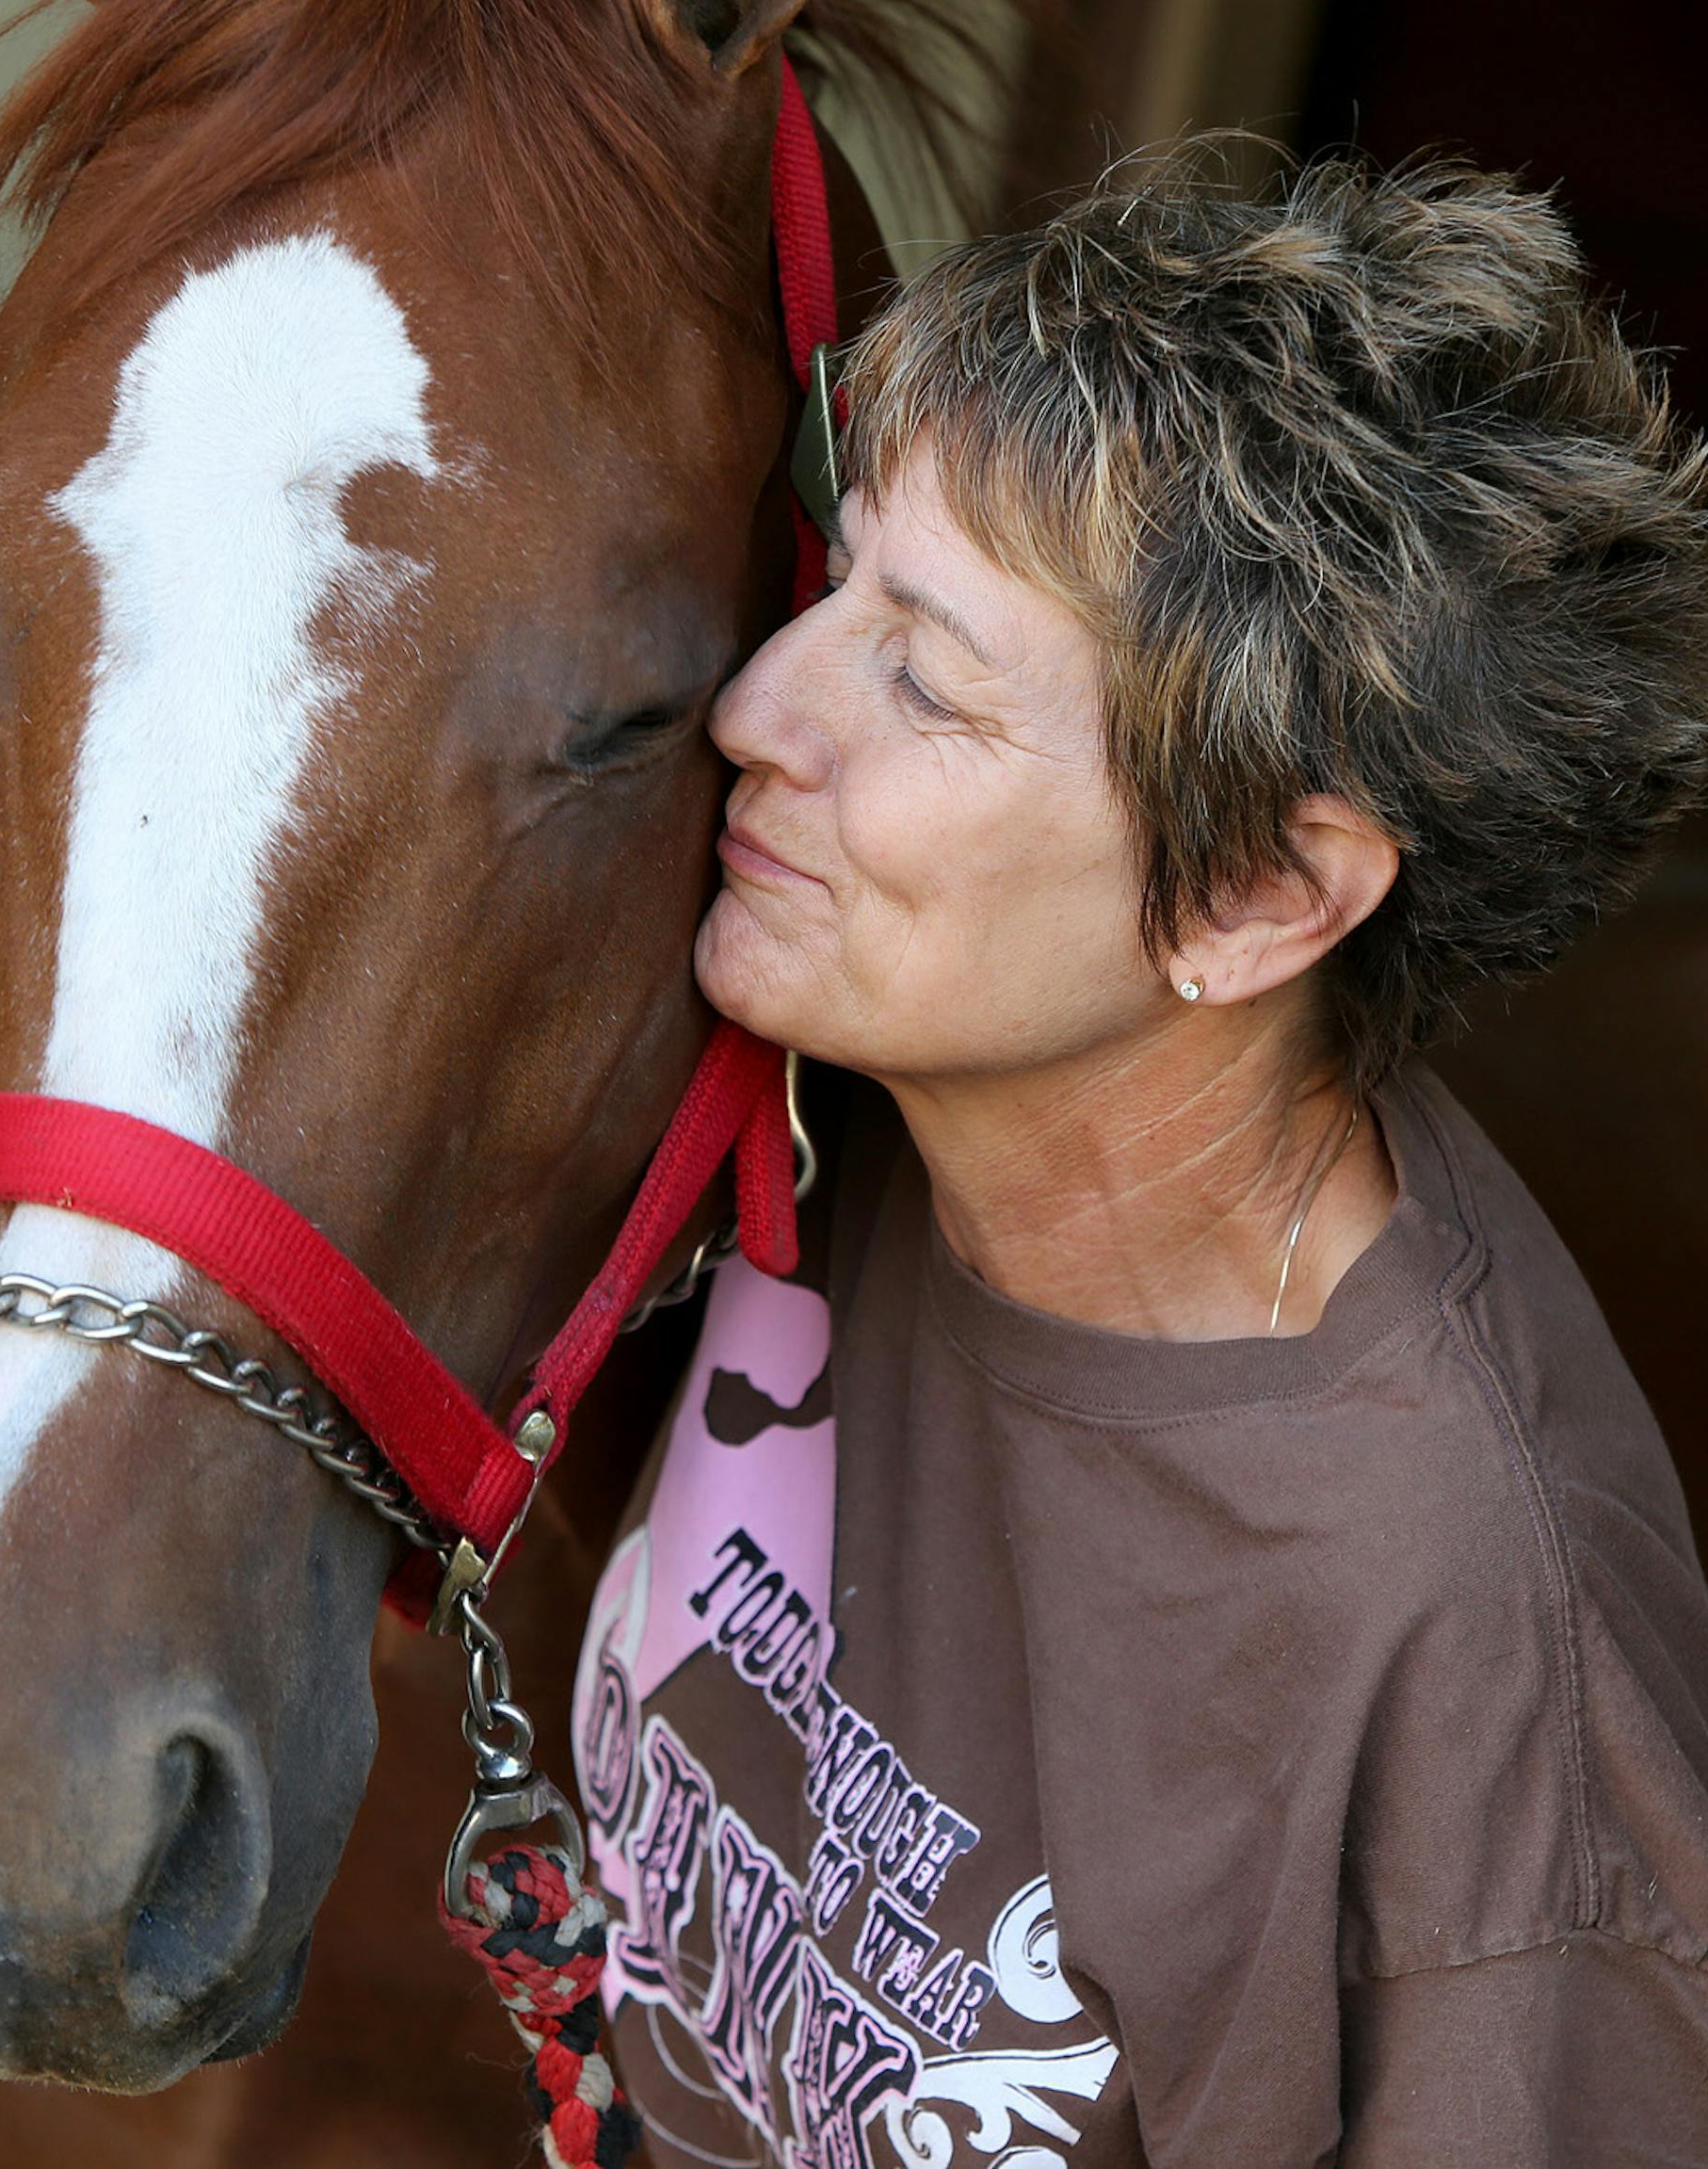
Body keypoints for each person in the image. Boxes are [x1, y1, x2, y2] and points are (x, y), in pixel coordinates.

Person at [569, 148, 1708, 2166]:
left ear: (1259, 895)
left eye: (922, 676)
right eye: (839, 591)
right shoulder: (826, 1108)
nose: (757, 707)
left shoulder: (1474, 1667)